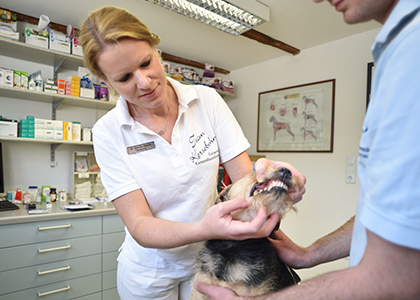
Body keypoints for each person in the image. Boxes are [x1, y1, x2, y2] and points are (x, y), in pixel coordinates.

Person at [195, 0, 420, 299]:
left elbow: (397, 276)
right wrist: (307, 255)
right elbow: (383, 214)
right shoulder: (396, 47)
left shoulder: (412, 48)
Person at [79, 6, 306, 300]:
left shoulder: (207, 101)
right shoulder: (108, 131)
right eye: (124, 78)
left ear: (155, 47)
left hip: (213, 261)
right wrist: (204, 228)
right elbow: (139, 225)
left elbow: (245, 182)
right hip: (150, 269)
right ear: (106, 81)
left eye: (146, 63)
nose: (144, 82)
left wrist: (273, 185)